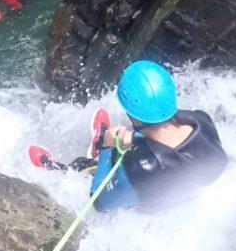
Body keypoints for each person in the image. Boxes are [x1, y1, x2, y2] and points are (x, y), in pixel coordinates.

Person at [88, 60, 228, 211]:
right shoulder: (200, 120)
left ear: (133, 116)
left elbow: (99, 203)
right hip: (182, 196)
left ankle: (86, 159)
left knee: (83, 167)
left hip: (148, 204)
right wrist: (134, 137)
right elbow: (172, 152)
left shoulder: (142, 166)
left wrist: (106, 148)